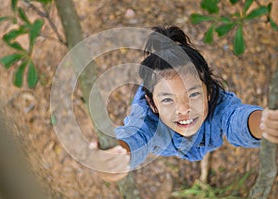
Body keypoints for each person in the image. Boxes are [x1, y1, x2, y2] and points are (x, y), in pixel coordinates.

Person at [91, 25, 278, 182]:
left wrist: (264, 123)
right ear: (153, 104)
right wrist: (114, 157)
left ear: (209, 93)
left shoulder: (219, 104)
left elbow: (236, 119)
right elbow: (134, 138)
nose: (183, 109)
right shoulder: (146, 119)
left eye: (194, 94)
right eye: (167, 100)